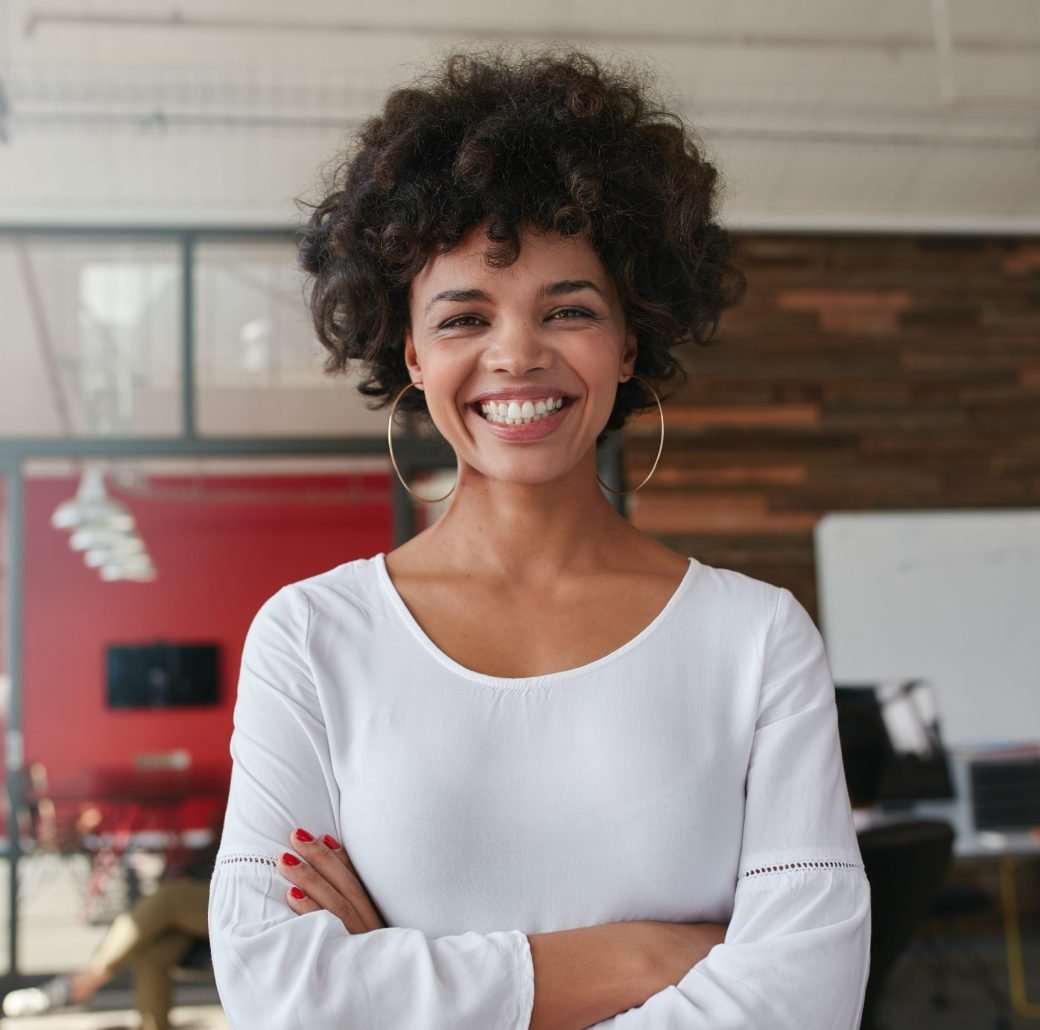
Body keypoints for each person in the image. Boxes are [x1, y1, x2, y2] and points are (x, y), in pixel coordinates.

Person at [208, 50, 871, 1029]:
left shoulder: (757, 637)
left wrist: (401, 977)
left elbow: (806, 994)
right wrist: (655, 955)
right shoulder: (311, 636)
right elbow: (279, 992)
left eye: (568, 309)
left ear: (629, 341)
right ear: (414, 354)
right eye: (465, 315)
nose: (516, 353)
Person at [0, 843, 214, 1029]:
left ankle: (83, 982)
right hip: (213, 895)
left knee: (170, 897)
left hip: (239, 901)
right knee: (152, 953)